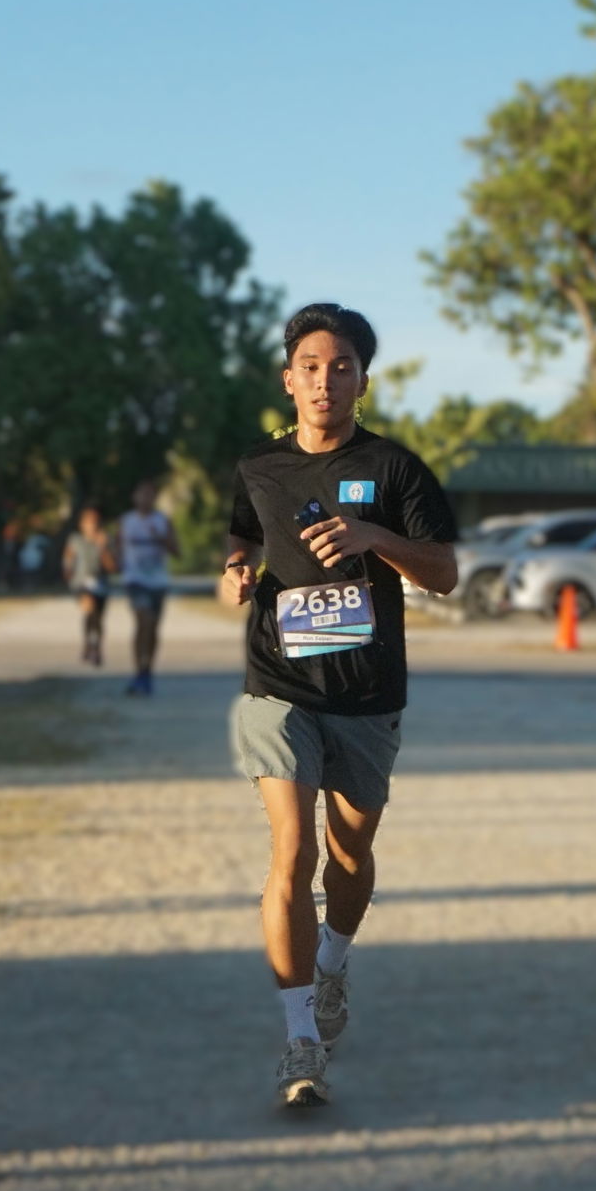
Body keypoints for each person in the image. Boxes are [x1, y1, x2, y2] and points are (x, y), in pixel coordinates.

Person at [223, 305, 458, 1111]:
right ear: (289, 380)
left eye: (343, 366)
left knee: (346, 856)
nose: (326, 380)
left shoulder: (394, 470)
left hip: (365, 691)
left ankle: (333, 960)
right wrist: (235, 570)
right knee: (291, 852)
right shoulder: (258, 464)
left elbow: (445, 573)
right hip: (278, 684)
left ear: (362, 378)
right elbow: (242, 537)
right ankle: (300, 1041)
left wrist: (371, 536)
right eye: (312, 367)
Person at [115, 479, 179, 697]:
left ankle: (146, 671)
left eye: (150, 494)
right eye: (141, 494)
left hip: (158, 581)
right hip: (135, 580)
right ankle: (138, 670)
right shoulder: (126, 521)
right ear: (134, 497)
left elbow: (176, 551)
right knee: (144, 620)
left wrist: (160, 538)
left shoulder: (162, 521)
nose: (145, 498)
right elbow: (116, 550)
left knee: (152, 629)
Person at [62, 505, 114, 667]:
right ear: (82, 524)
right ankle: (87, 642)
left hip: (101, 582)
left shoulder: (105, 539)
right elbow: (68, 558)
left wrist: (102, 547)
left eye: (95, 522)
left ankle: (96, 646)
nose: (92, 525)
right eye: (89, 522)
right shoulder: (76, 540)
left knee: (98, 617)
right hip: (81, 582)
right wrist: (68, 573)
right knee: (89, 607)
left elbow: (111, 567)